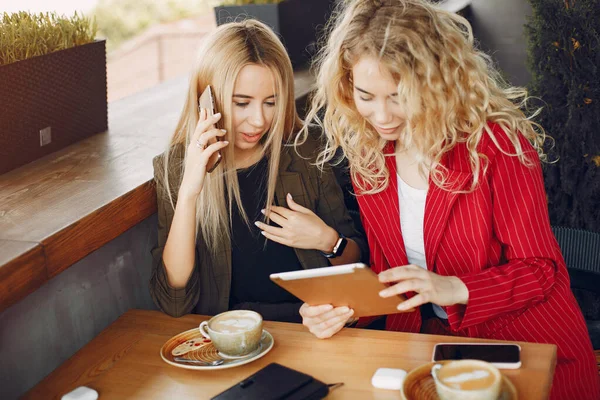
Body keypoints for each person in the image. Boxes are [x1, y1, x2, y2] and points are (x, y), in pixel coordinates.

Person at [298, 1, 599, 398]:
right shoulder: (371, 156)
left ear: (435, 82)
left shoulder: (495, 146)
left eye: (398, 95)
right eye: (365, 95)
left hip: (523, 345)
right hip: (428, 344)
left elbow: (541, 269)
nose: (382, 115)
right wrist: (345, 311)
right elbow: (391, 273)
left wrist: (455, 288)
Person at [149, 20, 367, 323]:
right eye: (242, 103)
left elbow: (357, 265)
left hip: (310, 327)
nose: (259, 121)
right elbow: (174, 300)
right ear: (207, 100)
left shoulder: (307, 150)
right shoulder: (176, 168)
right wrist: (188, 193)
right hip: (232, 338)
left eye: (271, 102)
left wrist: (327, 240)